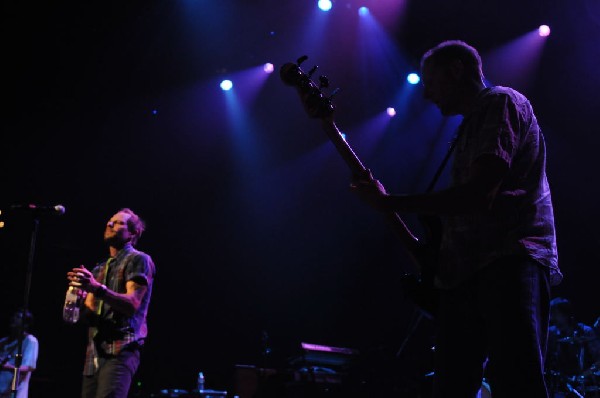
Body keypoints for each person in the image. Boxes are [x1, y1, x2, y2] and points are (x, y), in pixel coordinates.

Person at [350, 40, 562, 397]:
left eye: (430, 82)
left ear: (457, 70)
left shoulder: (499, 102)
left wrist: (390, 203)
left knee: (516, 379)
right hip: (467, 272)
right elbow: (463, 211)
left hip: (508, 260)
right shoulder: (468, 128)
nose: (428, 94)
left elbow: (478, 194)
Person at [66, 208, 156, 398]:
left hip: (120, 349)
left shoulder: (139, 259)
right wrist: (76, 301)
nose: (109, 224)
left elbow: (132, 304)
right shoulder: (99, 268)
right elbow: (88, 316)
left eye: (119, 223)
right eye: (109, 221)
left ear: (133, 233)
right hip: (94, 354)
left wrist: (96, 289)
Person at [546, 297, 600, 397]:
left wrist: (583, 375)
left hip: (584, 382)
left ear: (566, 314)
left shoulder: (585, 331)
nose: (551, 317)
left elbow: (598, 360)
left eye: (555, 313)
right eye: (551, 313)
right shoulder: (551, 333)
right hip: (561, 383)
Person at [0, 309, 39, 398]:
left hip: (13, 394)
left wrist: (6, 366)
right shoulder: (3, 342)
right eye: (14, 316)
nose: (14, 319)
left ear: (25, 324)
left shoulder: (30, 341)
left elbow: (26, 368)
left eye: (18, 317)